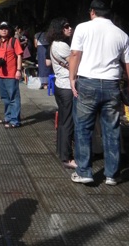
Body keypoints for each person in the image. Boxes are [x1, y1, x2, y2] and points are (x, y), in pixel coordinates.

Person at [69, 0, 129, 186]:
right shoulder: (120, 33)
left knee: (83, 128)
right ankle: (112, 175)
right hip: (112, 85)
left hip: (87, 82)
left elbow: (75, 54)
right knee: (112, 129)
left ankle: (84, 171)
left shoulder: (82, 28)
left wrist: (72, 78)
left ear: (92, 12)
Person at [46, 18, 75, 169]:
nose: (69, 29)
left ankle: (62, 151)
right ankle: (67, 157)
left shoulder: (54, 45)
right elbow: (74, 64)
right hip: (66, 87)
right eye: (66, 27)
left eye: (69, 26)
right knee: (68, 122)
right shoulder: (62, 45)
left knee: (64, 121)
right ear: (59, 29)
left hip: (60, 85)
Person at [0, 22, 23, 128]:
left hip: (11, 74)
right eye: (2, 28)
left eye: (6, 28)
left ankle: (15, 120)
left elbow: (19, 55)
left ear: (9, 30)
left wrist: (18, 70)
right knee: (5, 97)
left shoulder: (14, 41)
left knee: (14, 97)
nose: (4, 30)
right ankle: (8, 117)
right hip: (0, 74)